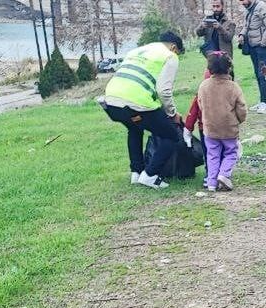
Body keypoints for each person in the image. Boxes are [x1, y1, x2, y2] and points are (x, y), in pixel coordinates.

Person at [97, 31, 184, 189]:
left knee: (135, 128)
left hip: (111, 101)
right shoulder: (170, 56)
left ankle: (136, 173)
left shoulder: (137, 51)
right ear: (173, 47)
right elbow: (163, 90)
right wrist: (172, 114)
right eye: (178, 52)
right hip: (135, 102)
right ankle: (150, 175)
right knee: (171, 135)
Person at [196, 53, 247, 192]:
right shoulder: (233, 87)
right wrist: (239, 120)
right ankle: (224, 175)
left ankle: (211, 183)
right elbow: (241, 108)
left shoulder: (203, 86)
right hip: (229, 128)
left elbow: (200, 105)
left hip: (210, 128)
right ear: (229, 68)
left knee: (212, 154)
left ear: (209, 69)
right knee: (231, 152)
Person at [236, 0, 266, 113]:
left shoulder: (262, 7)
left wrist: (264, 42)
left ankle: (265, 103)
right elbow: (246, 26)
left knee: (263, 74)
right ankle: (262, 101)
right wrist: (242, 35)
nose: (242, 2)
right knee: (257, 75)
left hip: (264, 47)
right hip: (253, 46)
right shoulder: (248, 10)